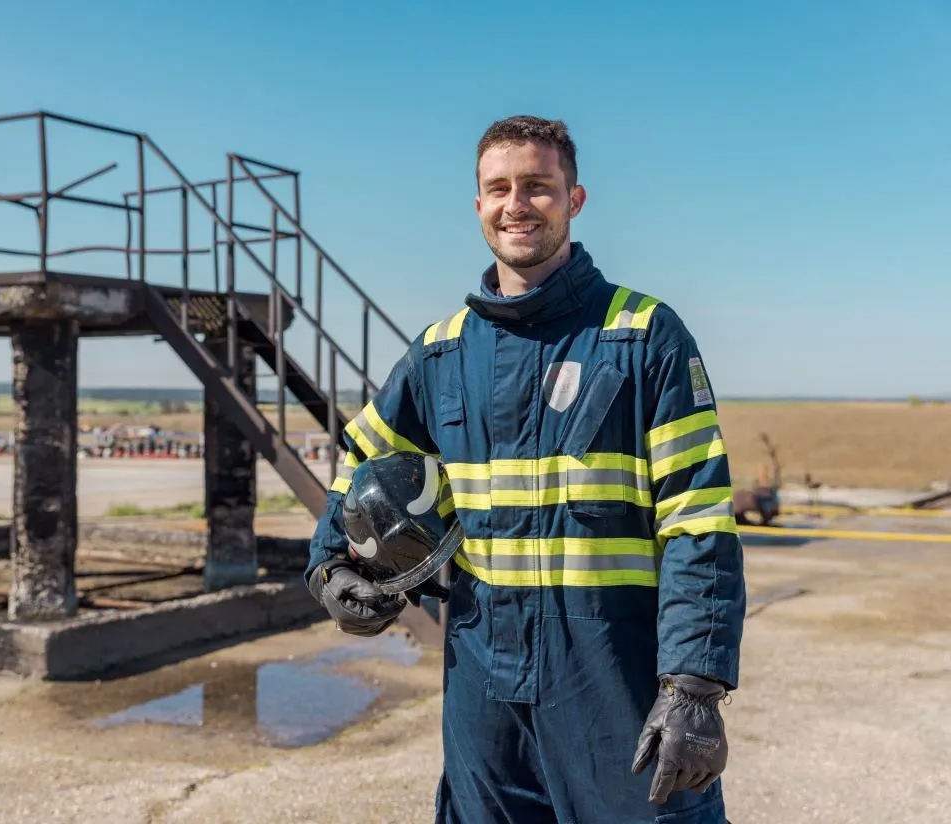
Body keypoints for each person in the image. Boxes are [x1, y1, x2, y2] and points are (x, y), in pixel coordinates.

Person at [305, 115, 746, 823]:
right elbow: (361, 463)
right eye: (499, 188)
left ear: (574, 200)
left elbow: (697, 517)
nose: (517, 203)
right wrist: (334, 565)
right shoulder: (440, 354)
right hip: (483, 683)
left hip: (613, 677)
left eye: (537, 187)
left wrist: (694, 683)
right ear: (477, 204)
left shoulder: (643, 336)